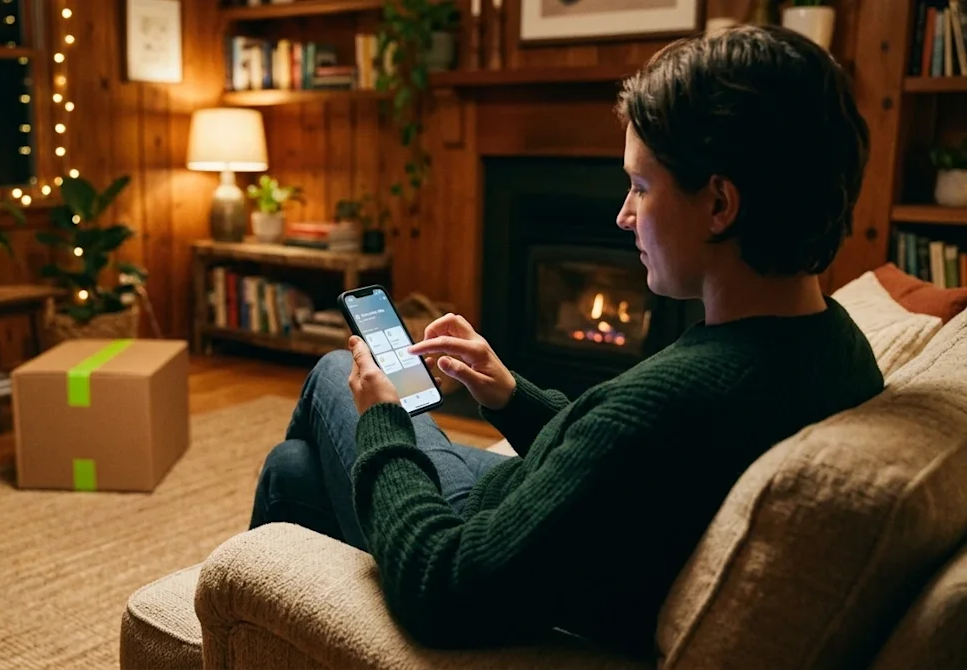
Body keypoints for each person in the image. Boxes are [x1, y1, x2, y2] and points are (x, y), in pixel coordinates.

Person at [248, 24, 884, 655]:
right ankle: (257, 618)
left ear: (720, 205)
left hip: (479, 540)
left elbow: (442, 587)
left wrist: (384, 420)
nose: (623, 214)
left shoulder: (674, 402)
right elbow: (623, 476)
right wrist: (509, 395)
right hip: (533, 522)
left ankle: (249, 614)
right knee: (292, 472)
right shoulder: (833, 343)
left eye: (640, 186)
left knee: (339, 369)